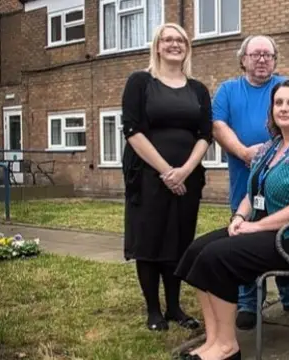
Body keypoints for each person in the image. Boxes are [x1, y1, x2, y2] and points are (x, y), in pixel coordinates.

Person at [175, 80, 289, 360]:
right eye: (279, 103)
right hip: (267, 231)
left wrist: (256, 226)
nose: (284, 109)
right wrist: (240, 216)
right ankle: (213, 340)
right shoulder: (269, 147)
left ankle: (227, 348)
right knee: (196, 252)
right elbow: (254, 193)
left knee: (219, 257)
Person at [211, 35, 289, 330]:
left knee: (284, 235)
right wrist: (245, 153)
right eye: (255, 54)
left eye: (268, 55)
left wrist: (271, 154)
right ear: (242, 59)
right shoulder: (228, 90)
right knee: (243, 236)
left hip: (284, 185)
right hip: (244, 183)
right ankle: (248, 302)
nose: (261, 59)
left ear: (275, 60)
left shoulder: (284, 86)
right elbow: (218, 126)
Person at [121, 23, 210, 332]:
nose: (175, 44)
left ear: (187, 47)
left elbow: (205, 134)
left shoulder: (197, 88)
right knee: (150, 240)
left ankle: (174, 308)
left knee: (180, 242)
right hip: (147, 177)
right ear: (157, 46)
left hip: (188, 179)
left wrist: (184, 170)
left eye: (181, 40)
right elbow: (132, 130)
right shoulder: (140, 82)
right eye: (168, 39)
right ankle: (153, 311)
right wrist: (165, 171)